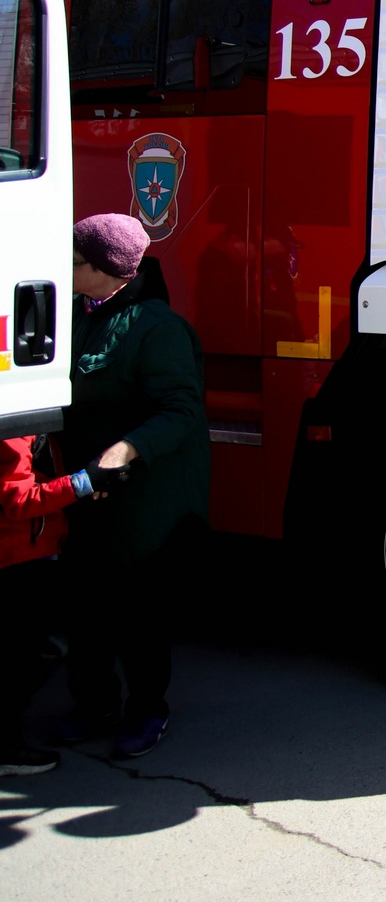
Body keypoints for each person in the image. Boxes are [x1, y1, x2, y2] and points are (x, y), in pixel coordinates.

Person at [55, 214, 210, 760]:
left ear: (106, 270)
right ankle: (93, 703)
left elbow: (181, 410)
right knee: (85, 600)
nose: (63, 269)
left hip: (146, 496)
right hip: (87, 488)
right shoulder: (75, 312)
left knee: (137, 608)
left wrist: (122, 452)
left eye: (73, 262)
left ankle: (147, 709)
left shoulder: (157, 327)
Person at [1, 437, 103, 776]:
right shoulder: (15, 425)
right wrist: (82, 483)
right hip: (21, 556)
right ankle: (6, 748)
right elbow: (17, 499)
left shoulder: (28, 420)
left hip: (27, 551)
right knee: (34, 652)